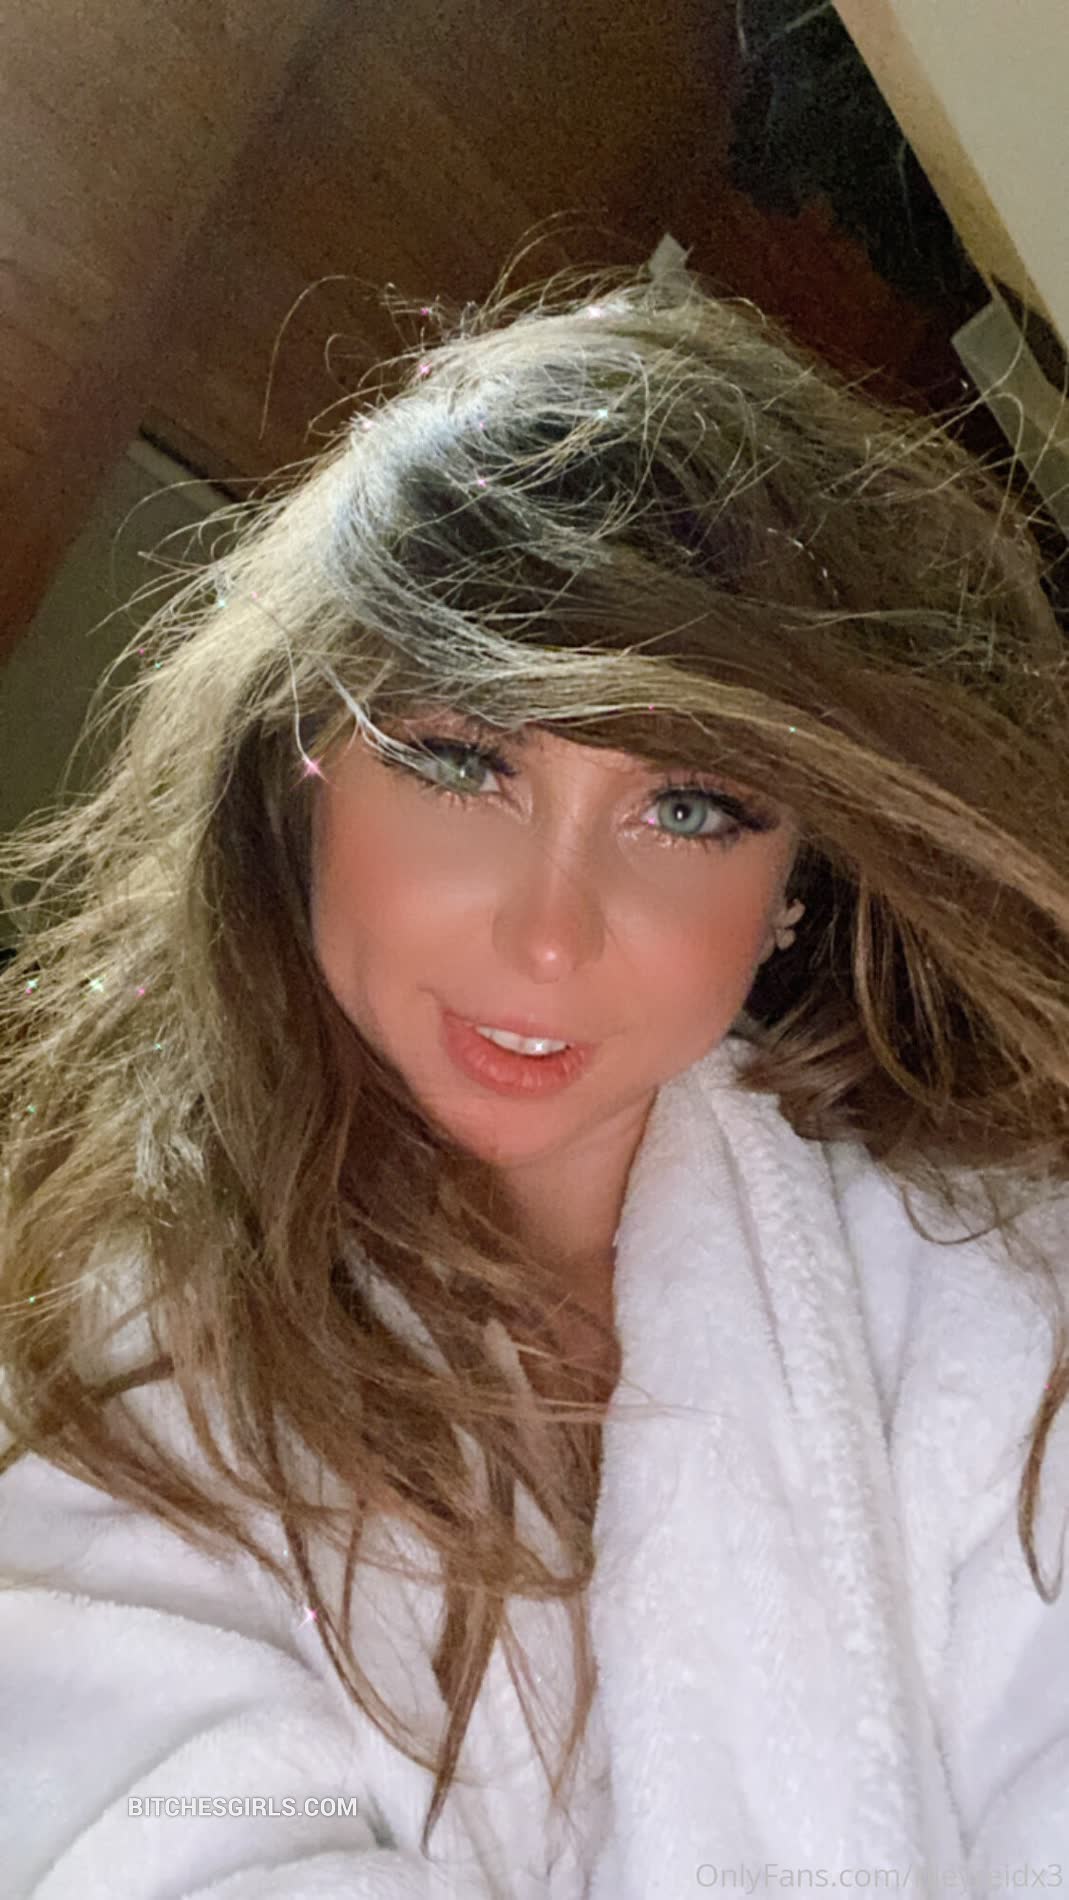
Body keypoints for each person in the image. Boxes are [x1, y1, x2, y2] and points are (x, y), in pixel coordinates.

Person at [2, 258, 1069, 1899]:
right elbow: (149, 1846)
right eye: (460, 760)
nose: (550, 936)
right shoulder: (105, 1376)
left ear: (795, 885)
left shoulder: (980, 1279)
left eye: (687, 809)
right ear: (304, 772)